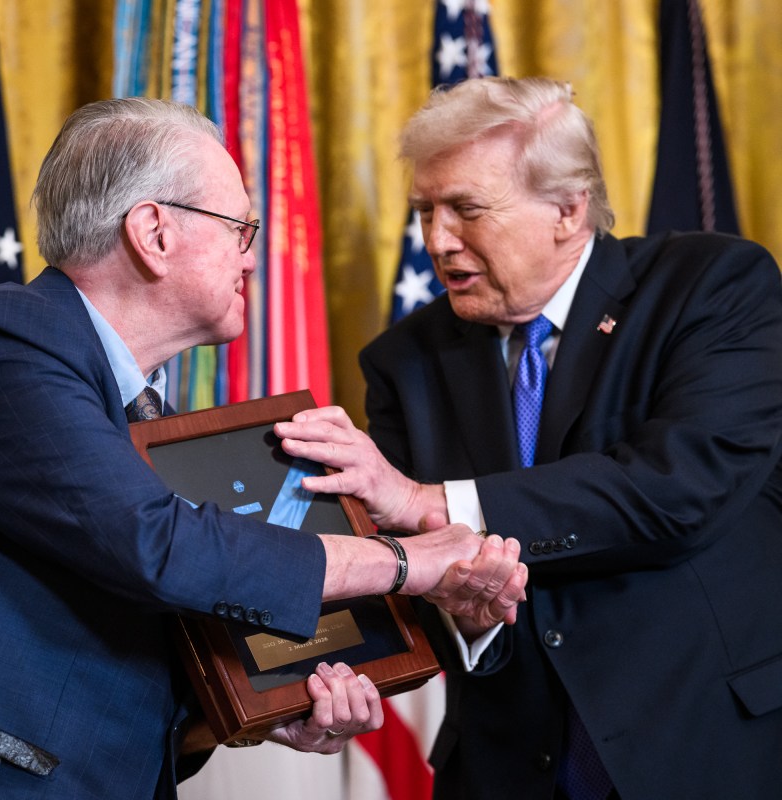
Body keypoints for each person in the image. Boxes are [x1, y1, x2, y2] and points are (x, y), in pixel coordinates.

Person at [0, 97, 521, 800]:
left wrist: (268, 709)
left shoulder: (149, 413)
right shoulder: (1, 337)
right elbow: (155, 544)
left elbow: (118, 643)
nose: (251, 259)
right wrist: (405, 561)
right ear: (154, 232)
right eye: (241, 230)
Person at [276, 76, 782, 799]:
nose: (436, 242)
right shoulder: (405, 361)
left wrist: (428, 502)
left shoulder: (712, 288)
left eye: (466, 210)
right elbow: (413, 581)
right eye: (424, 211)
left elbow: (679, 489)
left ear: (568, 210)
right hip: (506, 767)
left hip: (705, 752)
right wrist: (464, 622)